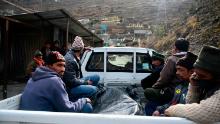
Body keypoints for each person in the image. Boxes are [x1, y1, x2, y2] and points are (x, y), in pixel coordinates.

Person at [20, 51, 93, 113]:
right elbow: (68, 109)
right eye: (59, 65)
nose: (63, 69)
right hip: (44, 120)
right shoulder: (55, 81)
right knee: (87, 106)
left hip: (28, 119)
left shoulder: (32, 78)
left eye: (64, 66)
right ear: (48, 66)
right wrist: (84, 100)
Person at [164, 45, 220, 123]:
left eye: (202, 76)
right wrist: (194, 87)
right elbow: (190, 104)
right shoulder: (180, 87)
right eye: (196, 74)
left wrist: (173, 109)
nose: (197, 78)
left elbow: (204, 113)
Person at [144, 38, 189, 115]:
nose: (178, 73)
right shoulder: (191, 58)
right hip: (183, 90)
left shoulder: (172, 59)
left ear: (175, 48)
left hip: (172, 91)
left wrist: (155, 87)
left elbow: (164, 78)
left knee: (148, 92)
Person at [63, 36, 100, 101]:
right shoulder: (70, 61)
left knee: (96, 77)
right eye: (83, 49)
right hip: (71, 88)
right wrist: (86, 83)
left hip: (77, 80)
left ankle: (90, 95)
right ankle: (81, 101)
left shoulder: (73, 53)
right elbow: (72, 82)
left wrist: (85, 48)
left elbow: (77, 49)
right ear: (80, 50)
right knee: (95, 89)